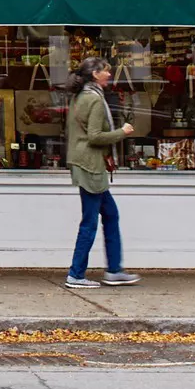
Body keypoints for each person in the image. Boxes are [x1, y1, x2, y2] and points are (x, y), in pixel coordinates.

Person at [65, 55, 140, 289]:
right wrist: (123, 132)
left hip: (84, 162)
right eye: (106, 70)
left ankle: (114, 270)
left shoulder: (80, 97)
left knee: (110, 214)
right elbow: (95, 136)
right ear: (95, 74)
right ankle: (76, 274)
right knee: (89, 222)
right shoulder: (95, 100)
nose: (109, 74)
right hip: (90, 165)